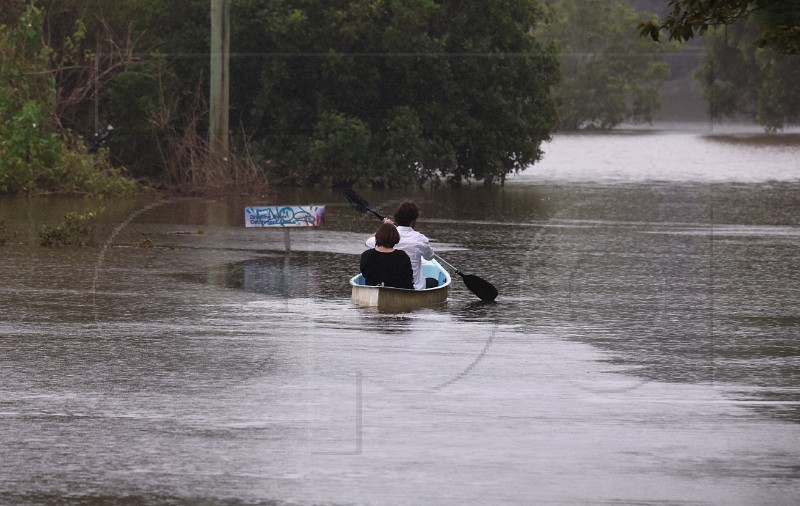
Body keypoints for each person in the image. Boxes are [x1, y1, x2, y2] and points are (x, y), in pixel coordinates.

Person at [365, 199, 436, 289]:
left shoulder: (387, 236)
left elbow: (367, 242)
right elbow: (429, 257)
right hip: (412, 286)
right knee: (434, 281)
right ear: (413, 220)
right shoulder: (421, 239)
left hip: (389, 283)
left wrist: (385, 227)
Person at [360, 222, 414, 289]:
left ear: (377, 237)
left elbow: (364, 274)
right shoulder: (402, 256)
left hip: (372, 290)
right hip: (398, 292)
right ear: (396, 237)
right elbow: (408, 277)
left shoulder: (366, 255)